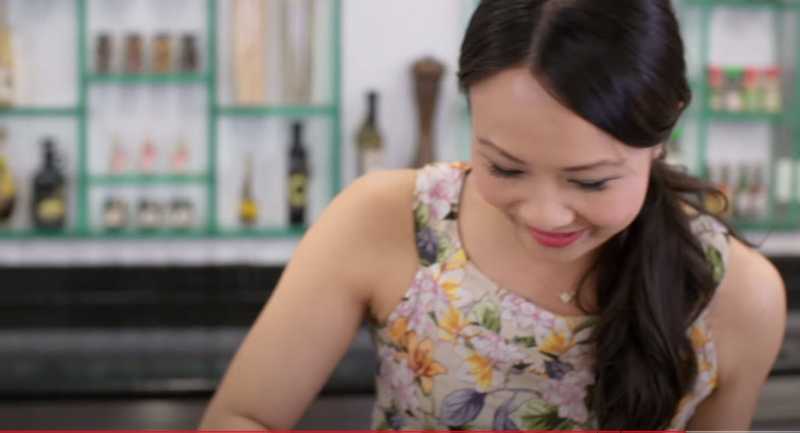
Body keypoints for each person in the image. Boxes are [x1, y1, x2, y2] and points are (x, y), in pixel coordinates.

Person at [200, 0, 786, 429]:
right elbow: (244, 415)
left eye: (590, 180)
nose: (546, 214)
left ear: (665, 130)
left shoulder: (733, 294)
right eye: (504, 168)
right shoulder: (388, 219)